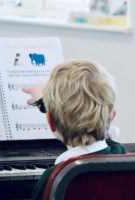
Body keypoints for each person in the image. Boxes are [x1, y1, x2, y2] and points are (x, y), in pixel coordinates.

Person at [23, 60, 126, 200]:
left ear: (51, 122)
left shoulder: (54, 177)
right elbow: (108, 141)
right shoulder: (120, 154)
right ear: (112, 117)